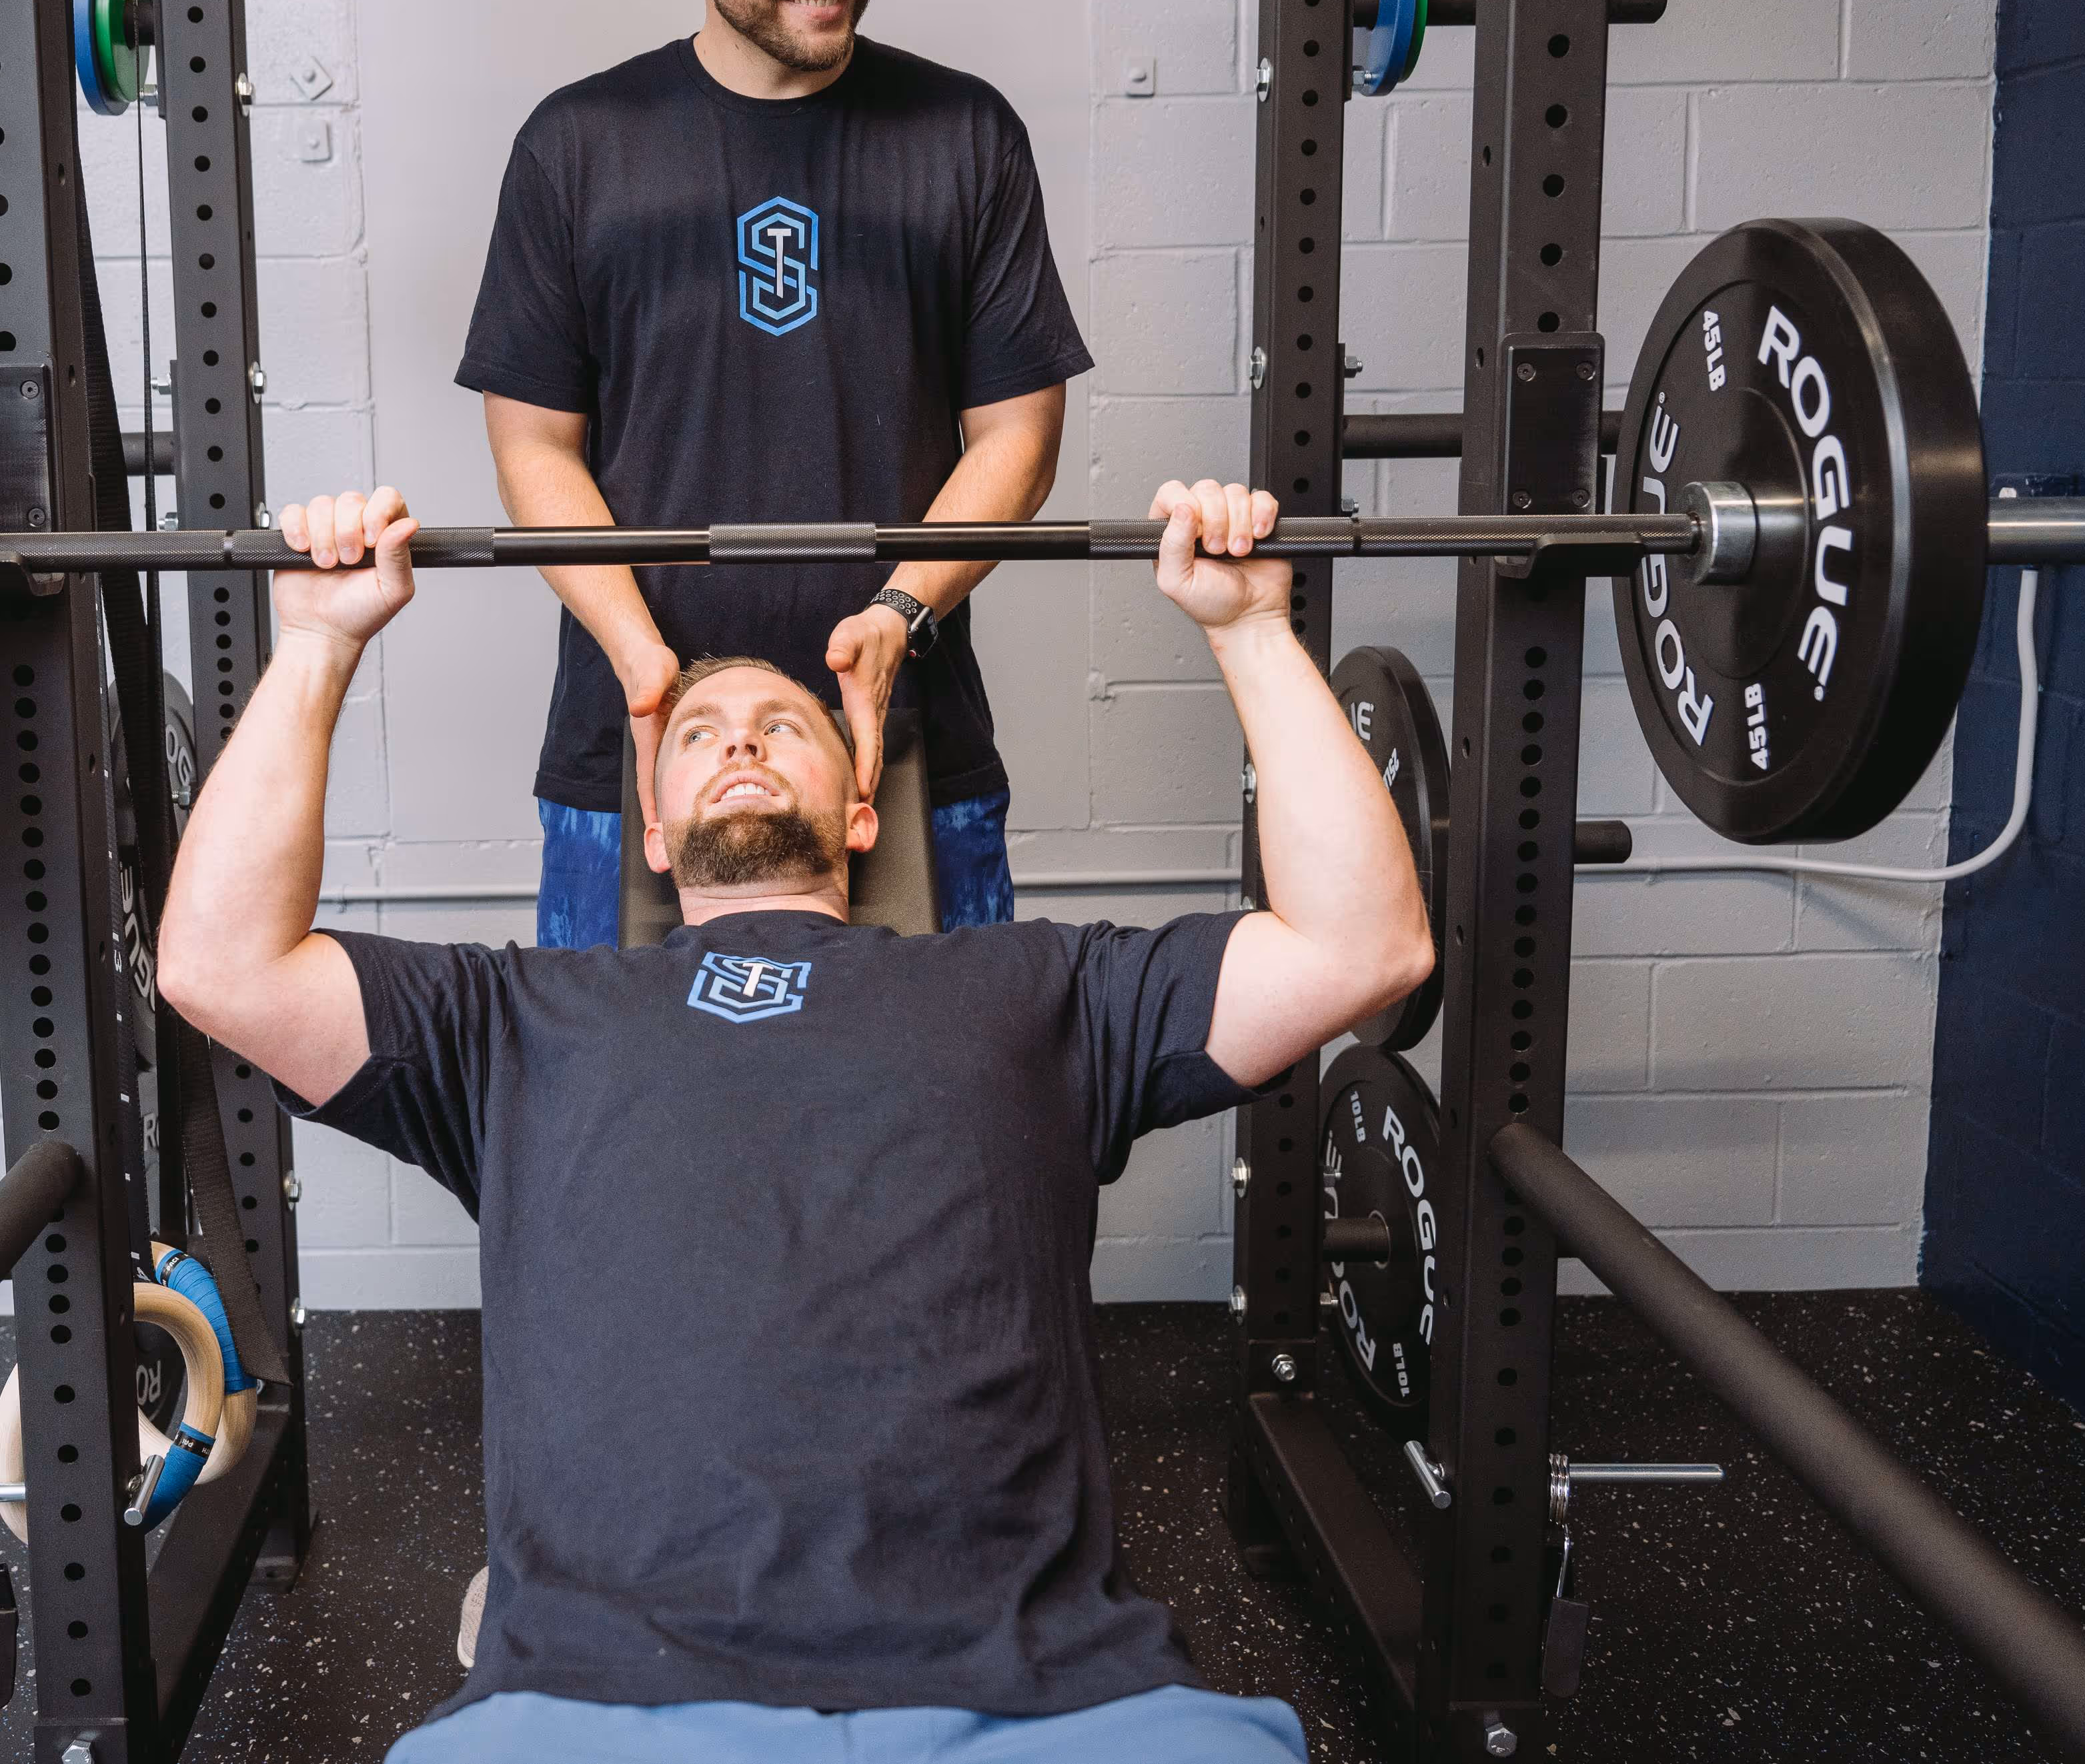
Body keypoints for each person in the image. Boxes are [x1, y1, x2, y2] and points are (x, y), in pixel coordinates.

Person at [157, 478, 1433, 1764]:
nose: (744, 739)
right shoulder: (516, 1017)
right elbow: (221, 967)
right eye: (699, 732)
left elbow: (1361, 946)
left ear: (861, 810)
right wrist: (318, 644)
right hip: (595, 1707)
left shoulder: (1035, 985)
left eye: (785, 724)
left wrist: (1252, 630)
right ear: (652, 830)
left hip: (1053, 1700)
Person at [456, 0, 1092, 947]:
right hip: (636, 750)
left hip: (899, 738)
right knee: (622, 1118)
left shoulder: (963, 133)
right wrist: (646, 665)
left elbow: (1017, 435)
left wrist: (898, 618)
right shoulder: (578, 146)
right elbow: (535, 451)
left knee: (941, 1117)